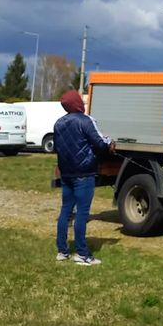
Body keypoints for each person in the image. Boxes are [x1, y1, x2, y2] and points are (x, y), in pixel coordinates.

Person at [53, 90, 114, 265]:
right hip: (84, 174)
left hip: (66, 174)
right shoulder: (85, 120)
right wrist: (110, 144)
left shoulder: (58, 123)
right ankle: (82, 254)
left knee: (66, 211)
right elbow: (100, 143)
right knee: (82, 213)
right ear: (77, 102)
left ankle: (62, 251)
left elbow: (58, 147)